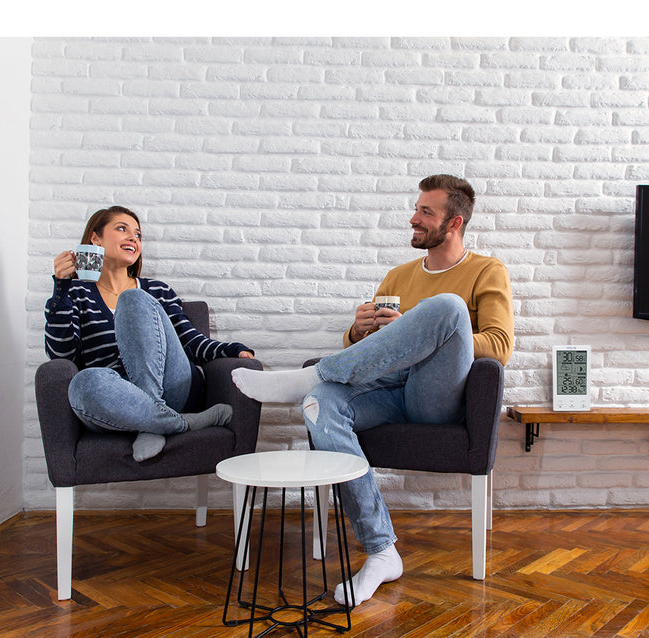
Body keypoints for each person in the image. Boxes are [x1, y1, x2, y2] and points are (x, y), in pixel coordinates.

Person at [232, 174, 514, 606]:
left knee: (448, 308)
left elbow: (499, 345)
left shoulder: (486, 270)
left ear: (454, 223)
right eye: (416, 209)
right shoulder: (398, 276)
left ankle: (316, 373)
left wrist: (426, 329)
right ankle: (382, 551)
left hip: (437, 396)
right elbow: (374, 350)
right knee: (320, 403)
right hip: (388, 390)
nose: (413, 218)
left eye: (426, 212)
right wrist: (357, 330)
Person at [45, 205, 255, 462]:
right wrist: (61, 289)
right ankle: (174, 423)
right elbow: (62, 355)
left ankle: (154, 413)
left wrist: (231, 350)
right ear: (95, 239)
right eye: (122, 229)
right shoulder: (75, 294)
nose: (133, 238)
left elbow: (191, 341)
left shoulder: (157, 291)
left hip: (172, 388)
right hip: (121, 401)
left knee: (132, 299)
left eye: (138, 234)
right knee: (82, 383)